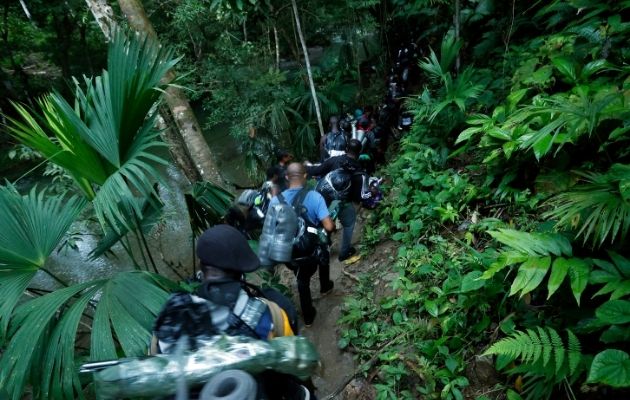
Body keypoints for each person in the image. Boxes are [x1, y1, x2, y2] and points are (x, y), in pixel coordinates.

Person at [152, 224, 311, 399]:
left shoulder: (170, 325)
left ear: (201, 270)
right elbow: (294, 367)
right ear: (242, 272)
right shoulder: (271, 314)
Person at [269, 163, 335, 327]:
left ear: (286, 177)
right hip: (310, 251)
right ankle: (325, 286)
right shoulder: (314, 197)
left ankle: (308, 317)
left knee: (302, 279)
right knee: (323, 245)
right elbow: (328, 226)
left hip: (289, 253)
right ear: (305, 176)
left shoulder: (275, 202)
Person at [306, 139, 364, 262]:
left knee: (322, 220)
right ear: (359, 153)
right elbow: (356, 196)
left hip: (322, 196)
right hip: (340, 202)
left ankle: (320, 246)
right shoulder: (358, 171)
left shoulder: (334, 160)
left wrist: (304, 168)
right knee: (349, 221)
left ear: (346, 149)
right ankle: (344, 252)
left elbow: (317, 171)